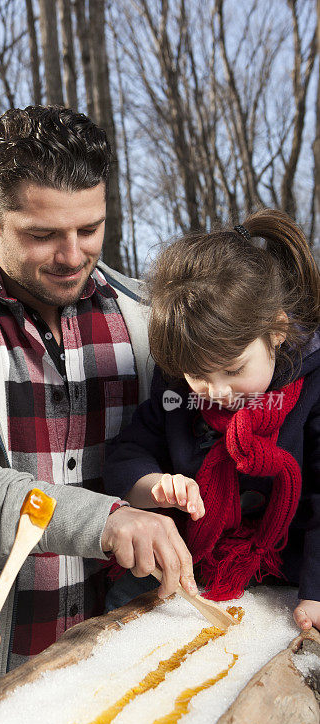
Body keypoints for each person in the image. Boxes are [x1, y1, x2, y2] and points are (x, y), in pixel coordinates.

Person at [0, 105, 198, 683]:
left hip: (127, 660)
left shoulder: (150, 321)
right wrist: (102, 520)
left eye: (90, 229)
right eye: (43, 234)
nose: (73, 254)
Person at [104, 209, 320, 631]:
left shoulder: (312, 389)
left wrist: (316, 592)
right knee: (122, 611)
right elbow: (129, 451)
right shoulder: (176, 392)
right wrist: (157, 486)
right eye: (198, 376)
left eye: (234, 370)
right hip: (192, 563)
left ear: (275, 331)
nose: (218, 392)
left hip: (289, 567)